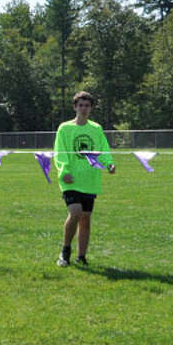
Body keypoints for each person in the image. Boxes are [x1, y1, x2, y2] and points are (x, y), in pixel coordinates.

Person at [53, 91, 115, 267]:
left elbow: (102, 150)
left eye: (87, 105)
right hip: (70, 179)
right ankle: (65, 251)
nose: (84, 108)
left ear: (91, 108)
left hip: (89, 180)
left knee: (85, 218)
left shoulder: (96, 129)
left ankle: (82, 257)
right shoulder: (64, 128)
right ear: (75, 107)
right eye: (80, 105)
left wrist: (109, 164)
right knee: (75, 212)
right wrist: (64, 170)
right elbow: (60, 152)